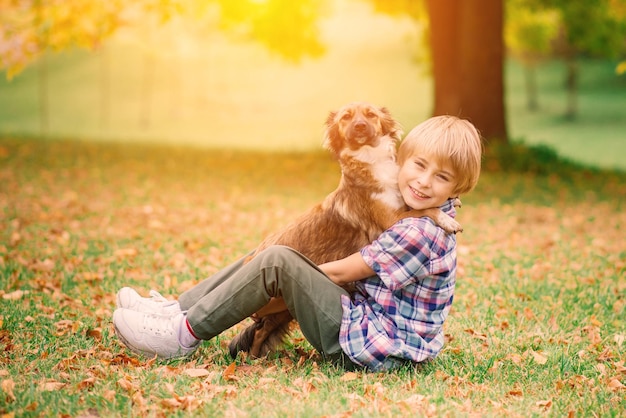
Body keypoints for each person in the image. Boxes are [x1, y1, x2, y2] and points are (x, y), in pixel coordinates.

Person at [112, 115, 482, 372]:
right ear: (400, 158)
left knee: (276, 262)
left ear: (457, 188)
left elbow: (341, 271)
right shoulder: (422, 213)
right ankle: (177, 310)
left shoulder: (419, 230)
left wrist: (276, 286)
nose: (423, 182)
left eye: (442, 176)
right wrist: (263, 278)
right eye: (418, 165)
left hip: (372, 346)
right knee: (267, 254)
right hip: (371, 328)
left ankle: (182, 335)